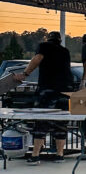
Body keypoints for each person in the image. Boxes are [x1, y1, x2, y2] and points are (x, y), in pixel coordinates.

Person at [16, 31, 72, 164]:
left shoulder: (44, 46)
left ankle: (35, 155)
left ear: (48, 39)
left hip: (48, 88)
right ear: (59, 40)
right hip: (65, 90)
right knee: (61, 122)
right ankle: (60, 155)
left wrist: (25, 73)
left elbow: (37, 58)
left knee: (41, 119)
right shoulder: (65, 51)